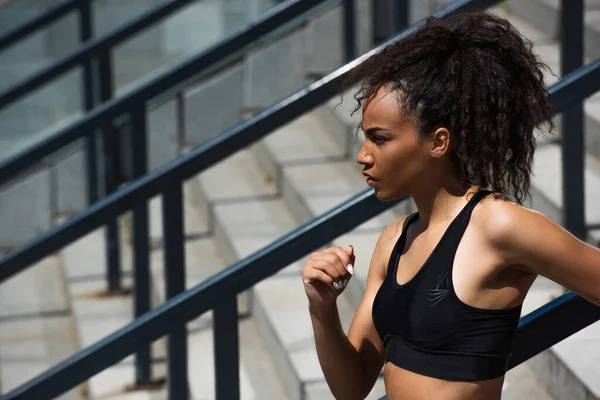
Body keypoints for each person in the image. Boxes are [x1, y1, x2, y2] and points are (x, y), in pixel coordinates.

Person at [301, 10, 600, 400]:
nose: (362, 154)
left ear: (438, 142)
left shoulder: (498, 226)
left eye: (380, 138)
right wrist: (322, 310)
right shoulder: (393, 242)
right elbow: (352, 387)